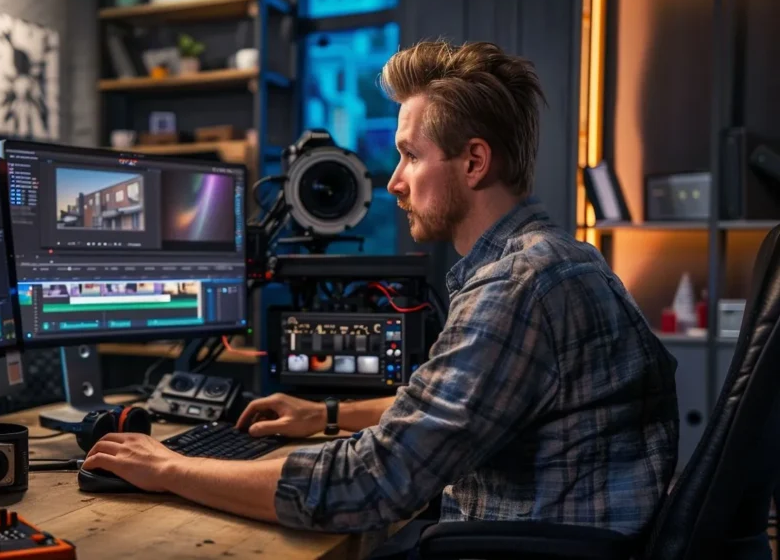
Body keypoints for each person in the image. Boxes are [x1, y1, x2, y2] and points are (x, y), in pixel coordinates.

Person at [81, 40, 679, 552]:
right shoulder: (557, 261)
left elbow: (370, 483)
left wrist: (172, 467)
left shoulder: (517, 287)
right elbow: (448, 407)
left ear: (474, 162)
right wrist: (328, 414)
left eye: (410, 155)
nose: (393, 180)